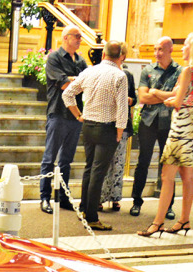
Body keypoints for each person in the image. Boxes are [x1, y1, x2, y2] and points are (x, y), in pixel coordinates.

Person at [137, 32, 193, 238]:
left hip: (180, 128)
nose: (182, 48)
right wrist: (169, 98)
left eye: (185, 44)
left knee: (166, 177)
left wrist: (159, 95)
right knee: (187, 177)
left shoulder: (187, 71)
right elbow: (183, 98)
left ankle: (157, 223)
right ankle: (184, 220)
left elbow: (176, 102)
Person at [63, 40, 129, 230]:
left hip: (88, 125)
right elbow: (122, 108)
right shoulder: (120, 76)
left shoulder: (89, 71)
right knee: (98, 172)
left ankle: (84, 209)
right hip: (107, 128)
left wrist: (78, 115)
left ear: (103, 54)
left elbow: (67, 94)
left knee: (89, 168)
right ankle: (91, 217)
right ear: (121, 56)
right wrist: (119, 131)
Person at [129, 36, 181, 218]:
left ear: (170, 51)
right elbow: (142, 98)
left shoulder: (180, 72)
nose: (157, 53)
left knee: (168, 165)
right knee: (143, 161)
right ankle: (136, 201)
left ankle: (168, 205)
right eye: (155, 49)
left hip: (170, 122)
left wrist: (156, 93)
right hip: (148, 121)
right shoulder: (148, 71)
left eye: (160, 49)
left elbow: (178, 98)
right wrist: (167, 96)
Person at [38, 27, 87, 214]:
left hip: (75, 116)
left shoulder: (81, 60)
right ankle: (44, 197)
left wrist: (74, 80)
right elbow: (65, 85)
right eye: (77, 37)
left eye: (80, 37)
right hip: (58, 113)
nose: (80, 40)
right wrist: (77, 81)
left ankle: (63, 197)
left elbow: (86, 82)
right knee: (49, 159)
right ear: (66, 38)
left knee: (67, 160)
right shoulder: (54, 58)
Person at [99, 42, 136, 212]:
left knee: (119, 163)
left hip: (123, 123)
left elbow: (134, 97)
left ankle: (115, 198)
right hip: (107, 122)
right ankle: (99, 197)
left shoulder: (127, 75)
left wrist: (130, 100)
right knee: (103, 163)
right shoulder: (104, 72)